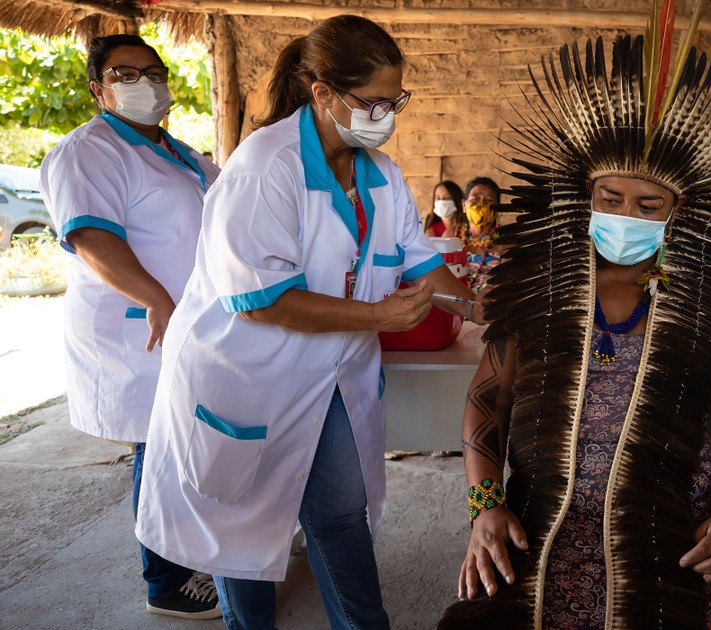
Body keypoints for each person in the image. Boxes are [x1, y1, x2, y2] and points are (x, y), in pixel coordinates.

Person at [135, 15, 480, 630]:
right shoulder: (265, 169)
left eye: (395, 100)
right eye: (373, 101)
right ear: (322, 93)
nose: (386, 114)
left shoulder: (380, 174)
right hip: (245, 378)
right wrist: (375, 315)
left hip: (333, 378)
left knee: (341, 513)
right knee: (240, 525)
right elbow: (262, 299)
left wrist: (487, 311)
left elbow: (425, 261)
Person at [440, 10, 711, 630]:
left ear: (678, 210)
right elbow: (486, 406)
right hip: (543, 517)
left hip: (672, 522)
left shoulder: (706, 298)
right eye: (610, 199)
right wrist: (485, 506)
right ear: (584, 197)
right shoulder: (538, 287)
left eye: (648, 204)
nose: (627, 215)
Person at [39, 34, 221, 619]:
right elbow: (92, 237)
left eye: (153, 71)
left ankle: (196, 550)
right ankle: (163, 580)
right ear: (98, 88)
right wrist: (156, 297)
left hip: (189, 322)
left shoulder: (180, 153)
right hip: (136, 324)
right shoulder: (87, 151)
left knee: (186, 440)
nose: (144, 83)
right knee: (157, 442)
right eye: (125, 73)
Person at [459, 176, 504, 293]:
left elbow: (506, 284)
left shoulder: (505, 241)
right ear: (464, 205)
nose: (481, 204)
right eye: (475, 199)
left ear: (497, 209)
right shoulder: (452, 236)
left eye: (489, 200)